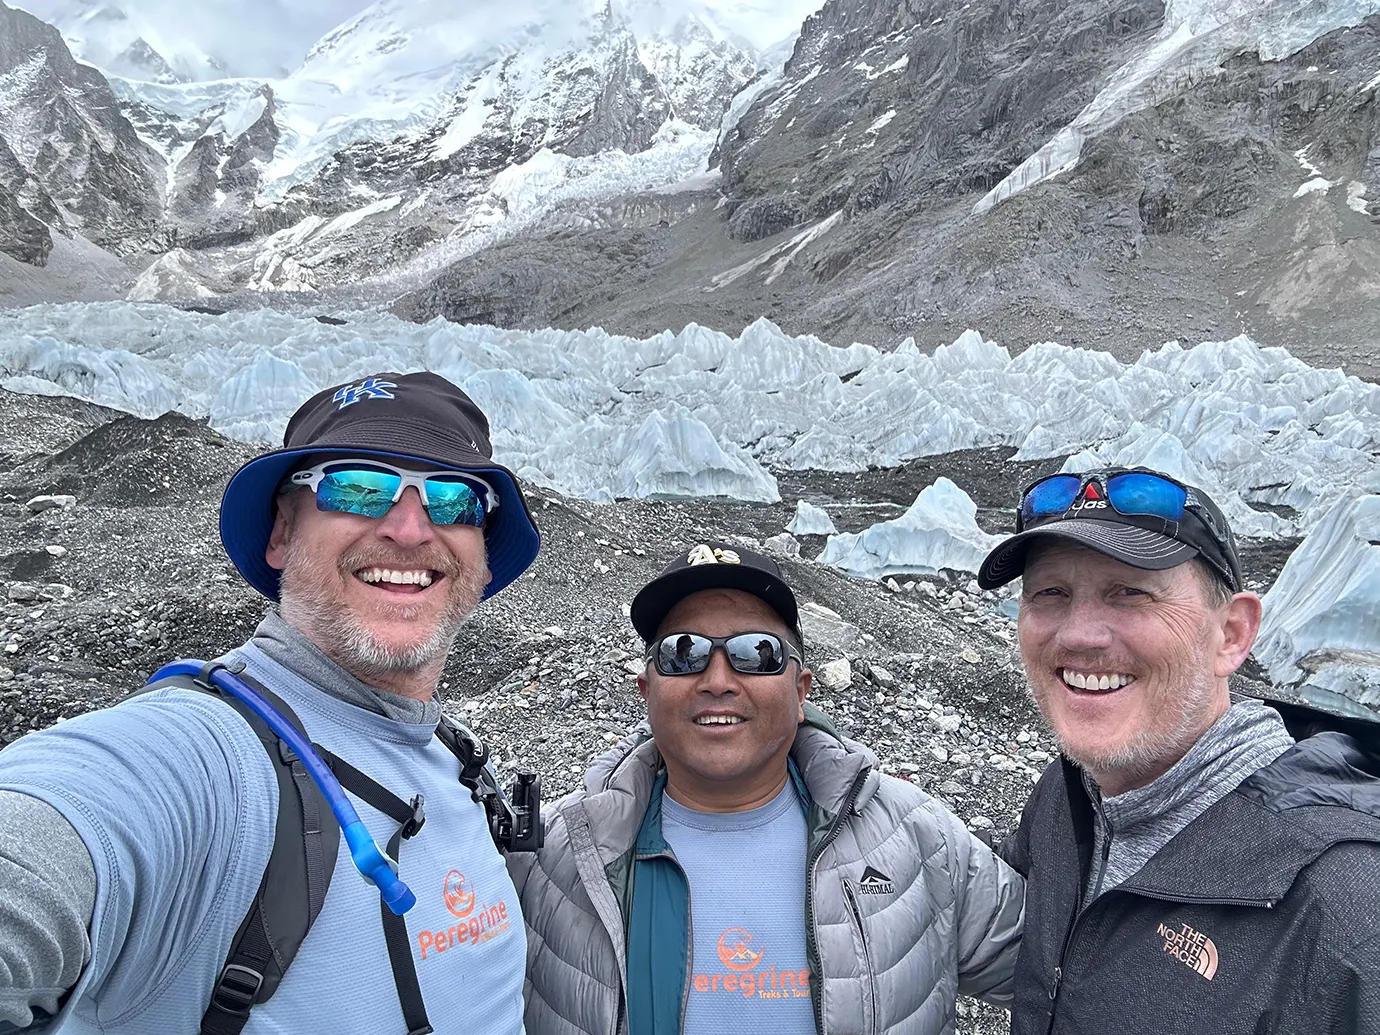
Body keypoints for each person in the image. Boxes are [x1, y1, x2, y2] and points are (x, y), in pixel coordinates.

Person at [0, 372, 542, 1034]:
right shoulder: (208, 760)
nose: (408, 527)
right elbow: (45, 839)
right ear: (283, 531)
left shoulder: (458, 760)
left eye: (456, 499)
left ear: (481, 560)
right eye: (357, 486)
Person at [509, 541, 1025, 1035]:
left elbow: (1056, 968)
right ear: (647, 690)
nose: (717, 680)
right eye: (682, 654)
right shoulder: (551, 860)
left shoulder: (914, 838)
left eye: (756, 653)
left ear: (801, 691)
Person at [977, 466, 1380, 1034]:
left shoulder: (1347, 905)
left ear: (1232, 634)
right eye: (1050, 593)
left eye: (1130, 593)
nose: (1078, 634)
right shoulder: (1068, 796)